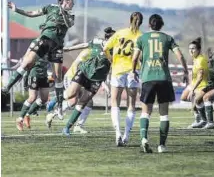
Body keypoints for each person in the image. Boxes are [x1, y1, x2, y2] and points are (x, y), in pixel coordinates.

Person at [2, 0, 75, 119]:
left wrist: (62, 10)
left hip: (57, 46)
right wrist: (16, 9)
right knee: (27, 62)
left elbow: (69, 24)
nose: (73, 5)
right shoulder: (50, 8)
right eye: (72, 2)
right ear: (66, 0)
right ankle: (7, 87)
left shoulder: (70, 16)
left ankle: (59, 107)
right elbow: (32, 13)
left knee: (58, 76)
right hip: (45, 39)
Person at [132, 14, 189, 153]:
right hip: (164, 78)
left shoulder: (141, 38)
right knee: (164, 114)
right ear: (161, 25)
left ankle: (144, 139)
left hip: (148, 78)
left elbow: (134, 58)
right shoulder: (167, 38)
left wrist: (134, 71)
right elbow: (180, 55)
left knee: (146, 112)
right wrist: (186, 71)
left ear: (149, 25)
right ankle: (162, 146)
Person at [46, 27, 115, 131]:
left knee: (84, 102)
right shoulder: (96, 44)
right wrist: (68, 49)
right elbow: (83, 48)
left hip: (96, 79)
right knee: (71, 96)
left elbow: (107, 67)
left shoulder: (116, 50)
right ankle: (56, 101)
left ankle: (68, 127)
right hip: (82, 73)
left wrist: (105, 84)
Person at [103, 12, 143, 146]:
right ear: (141, 22)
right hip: (133, 71)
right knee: (131, 104)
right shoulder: (141, 36)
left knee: (115, 102)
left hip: (118, 70)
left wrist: (112, 61)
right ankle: (126, 135)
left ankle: (117, 134)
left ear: (129, 20)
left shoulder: (120, 33)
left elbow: (105, 49)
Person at [14, 40, 50, 131]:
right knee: (32, 97)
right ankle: (20, 119)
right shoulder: (36, 42)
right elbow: (27, 56)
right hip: (34, 73)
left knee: (44, 99)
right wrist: (25, 71)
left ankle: (27, 114)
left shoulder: (52, 43)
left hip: (44, 74)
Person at [180, 38, 209, 128]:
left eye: (193, 48)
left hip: (202, 85)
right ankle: (200, 106)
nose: (191, 50)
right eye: (190, 48)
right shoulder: (195, 59)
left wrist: (193, 89)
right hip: (193, 83)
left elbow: (200, 77)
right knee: (184, 97)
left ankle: (199, 119)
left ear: (198, 50)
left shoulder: (200, 60)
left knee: (194, 100)